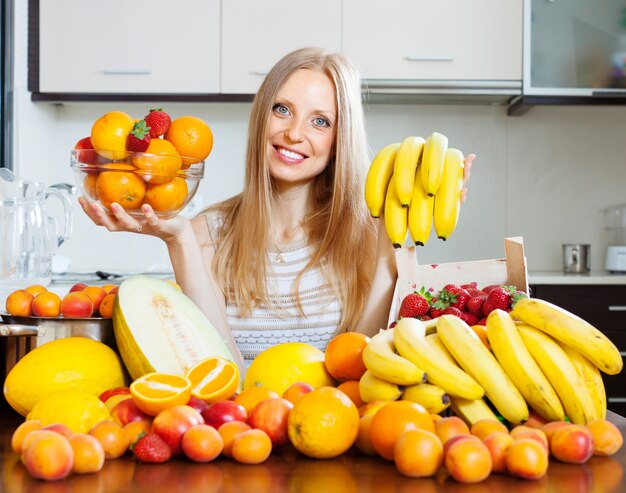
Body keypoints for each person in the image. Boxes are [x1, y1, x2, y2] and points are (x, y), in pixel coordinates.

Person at [79, 47, 473, 371]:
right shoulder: (207, 232)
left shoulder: (369, 233)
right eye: (282, 109)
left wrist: (395, 242)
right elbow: (219, 368)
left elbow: (361, 364)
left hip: (332, 432)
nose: (294, 133)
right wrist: (178, 239)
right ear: (261, 116)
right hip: (240, 436)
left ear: (339, 140)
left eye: (320, 121)